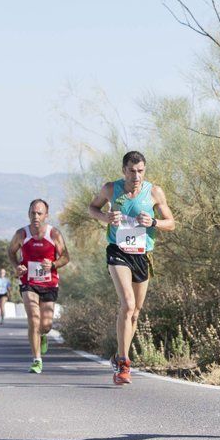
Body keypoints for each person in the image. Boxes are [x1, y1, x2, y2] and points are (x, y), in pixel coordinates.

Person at [87, 151, 175, 384]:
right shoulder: (110, 189)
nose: (136, 176)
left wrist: (154, 222)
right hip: (118, 252)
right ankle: (124, 364)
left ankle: (118, 354)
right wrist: (105, 218)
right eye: (132, 171)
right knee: (127, 304)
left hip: (142, 255)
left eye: (140, 171)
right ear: (123, 170)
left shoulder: (154, 192)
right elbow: (92, 208)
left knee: (135, 312)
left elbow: (172, 223)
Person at [8, 199, 70, 373]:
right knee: (34, 319)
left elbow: (65, 257)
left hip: (49, 283)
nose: (36, 216)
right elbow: (11, 252)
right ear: (28, 214)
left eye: (39, 213)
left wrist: (53, 265)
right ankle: (36, 360)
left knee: (46, 325)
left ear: (46, 215)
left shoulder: (54, 234)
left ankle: (43, 335)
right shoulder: (21, 234)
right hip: (29, 282)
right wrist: (16, 266)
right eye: (33, 213)